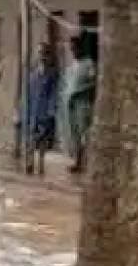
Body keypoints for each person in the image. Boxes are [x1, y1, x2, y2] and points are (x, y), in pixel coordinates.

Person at [57, 33, 97, 174]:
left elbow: (94, 83)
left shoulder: (89, 64)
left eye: (75, 48)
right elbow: (66, 85)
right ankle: (77, 161)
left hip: (83, 103)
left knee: (84, 132)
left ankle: (87, 162)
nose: (73, 52)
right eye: (71, 49)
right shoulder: (71, 67)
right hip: (70, 105)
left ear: (81, 48)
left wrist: (80, 91)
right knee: (74, 134)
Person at [20, 42, 60, 176]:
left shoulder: (52, 74)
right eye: (40, 53)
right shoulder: (32, 74)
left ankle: (41, 163)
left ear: (49, 55)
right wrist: (22, 108)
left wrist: (51, 110)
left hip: (44, 111)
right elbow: (26, 93)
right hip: (32, 110)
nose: (42, 56)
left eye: (45, 53)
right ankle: (30, 162)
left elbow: (54, 93)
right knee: (30, 137)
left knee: (43, 139)